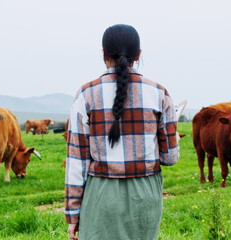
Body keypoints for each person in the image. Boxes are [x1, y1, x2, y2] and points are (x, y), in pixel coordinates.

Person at [65, 24, 180, 240]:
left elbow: (76, 162)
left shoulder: (86, 95)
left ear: (103, 54)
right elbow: (170, 157)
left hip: (101, 194)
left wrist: (72, 214)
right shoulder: (159, 93)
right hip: (145, 195)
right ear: (138, 55)